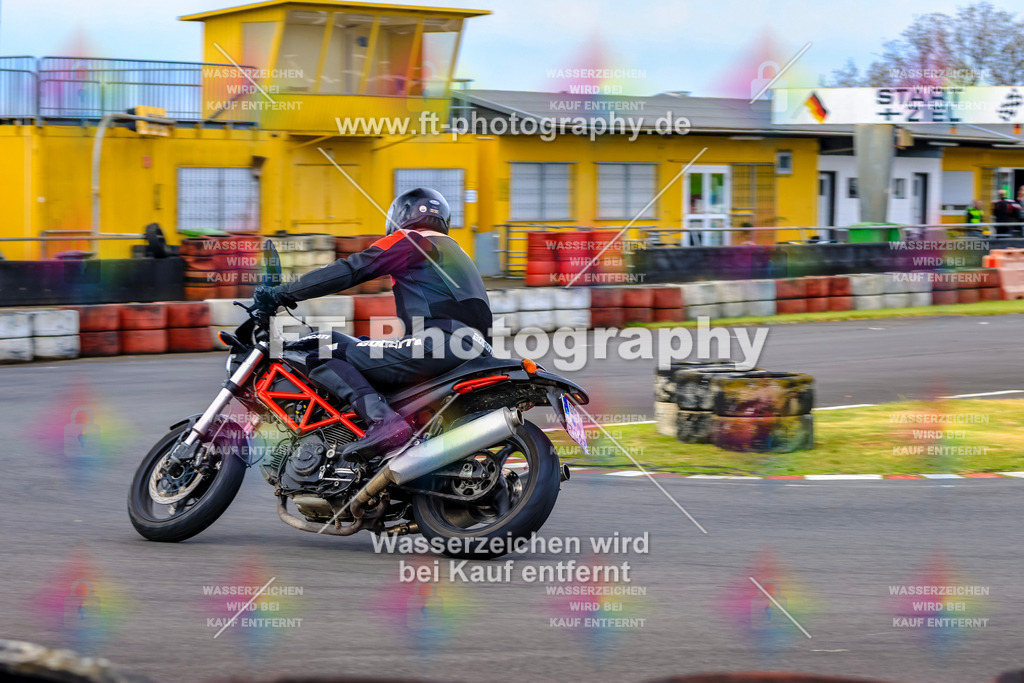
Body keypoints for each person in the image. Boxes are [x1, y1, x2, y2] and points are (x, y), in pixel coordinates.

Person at [253, 188, 493, 461]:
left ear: (401, 215)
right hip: (475, 352)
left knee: (321, 354)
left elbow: (352, 268)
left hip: (439, 344)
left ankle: (384, 423)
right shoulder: (457, 252)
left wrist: (282, 293)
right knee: (357, 346)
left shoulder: (411, 240)